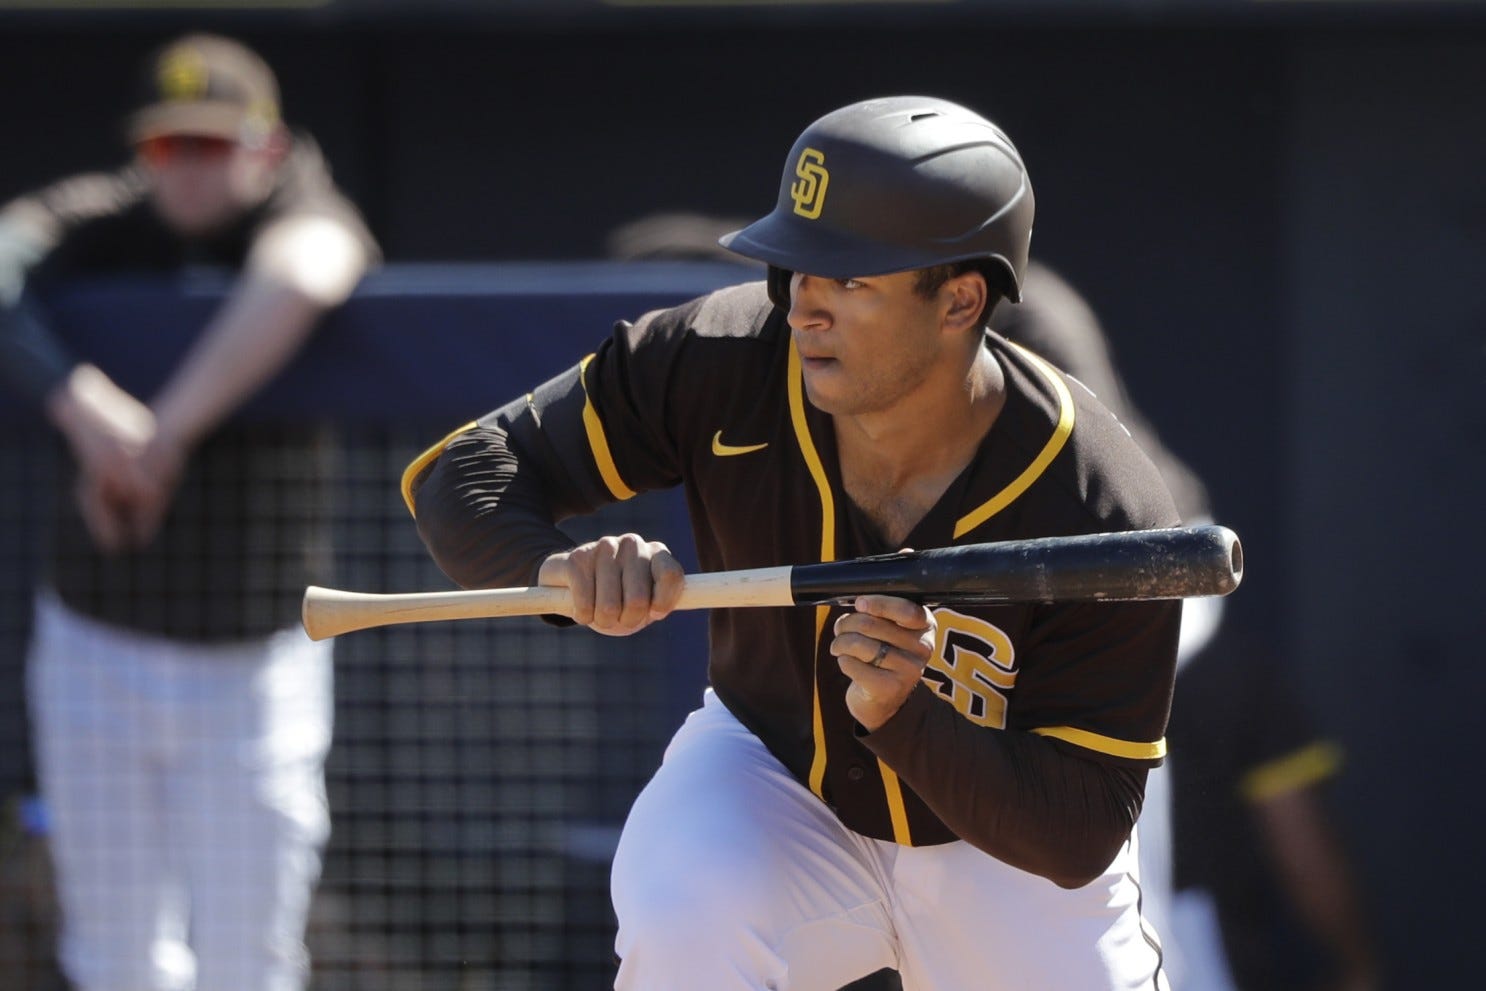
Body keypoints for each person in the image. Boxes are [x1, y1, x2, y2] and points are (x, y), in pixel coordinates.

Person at [406, 95, 1182, 990]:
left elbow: (1079, 832)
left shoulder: (1099, 501)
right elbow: (464, 470)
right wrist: (554, 570)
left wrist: (907, 717)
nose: (805, 306)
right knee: (685, 906)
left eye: (850, 279)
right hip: (775, 780)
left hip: (998, 841)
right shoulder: (723, 358)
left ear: (961, 299)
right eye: (797, 266)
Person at [0, 33, 378, 991]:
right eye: (172, 147)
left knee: (248, 956)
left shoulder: (302, 209)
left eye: (216, 144)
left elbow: (312, 268)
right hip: (98, 644)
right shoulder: (105, 220)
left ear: (267, 145)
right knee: (116, 955)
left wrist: (159, 438)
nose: (192, 168)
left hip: (252, 665)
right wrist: (86, 411)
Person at [995, 262, 1380, 991]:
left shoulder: (1209, 662)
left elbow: (1299, 842)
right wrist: (1357, 969)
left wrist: (1357, 971)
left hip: (1181, 955)